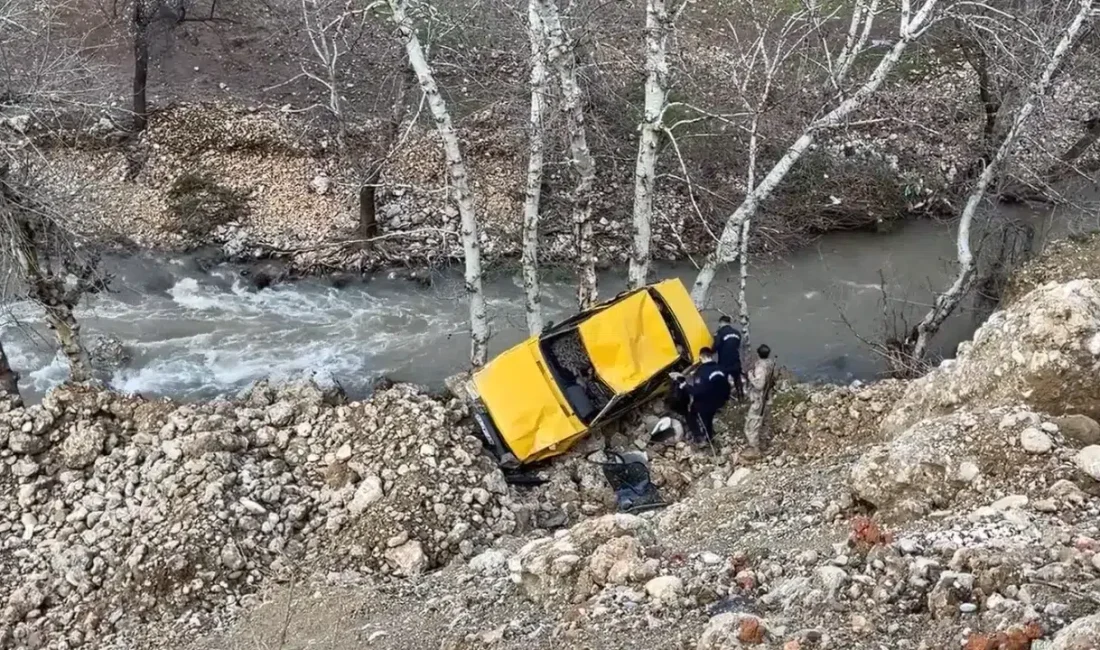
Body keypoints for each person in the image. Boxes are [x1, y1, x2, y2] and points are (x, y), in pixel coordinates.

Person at [675, 347, 730, 444]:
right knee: (709, 417)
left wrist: (685, 386)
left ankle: (701, 436)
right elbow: (726, 385)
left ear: (701, 357)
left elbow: (697, 391)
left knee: (691, 414)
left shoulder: (702, 372)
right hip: (720, 400)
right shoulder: (721, 368)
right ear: (711, 356)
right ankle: (709, 434)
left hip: (706, 403)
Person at [742, 344, 776, 459]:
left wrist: (751, 376)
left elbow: (759, 385)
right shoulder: (770, 363)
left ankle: (754, 449)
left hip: (759, 400)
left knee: (752, 424)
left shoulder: (760, 367)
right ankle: (763, 443)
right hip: (767, 398)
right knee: (765, 421)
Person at [714, 315, 744, 401]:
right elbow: (737, 345)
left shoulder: (719, 333)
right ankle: (741, 397)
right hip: (735, 360)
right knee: (737, 379)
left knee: (723, 381)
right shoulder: (737, 333)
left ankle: (724, 399)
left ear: (721, 323)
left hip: (724, 362)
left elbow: (715, 347)